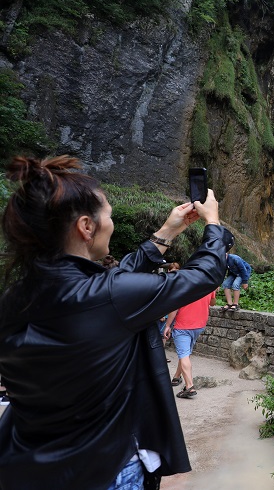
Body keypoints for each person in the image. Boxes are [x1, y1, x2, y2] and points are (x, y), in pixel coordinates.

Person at [0, 155, 232, 489]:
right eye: (109, 215)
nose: (111, 222)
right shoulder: (108, 296)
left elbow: (109, 289)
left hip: (27, 466)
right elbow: (205, 274)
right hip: (103, 469)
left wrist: (166, 233)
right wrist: (214, 225)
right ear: (86, 226)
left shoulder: (15, 299)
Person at [164, 289, 217, 399]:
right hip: (199, 325)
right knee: (185, 353)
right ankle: (177, 377)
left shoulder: (184, 285)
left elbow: (174, 308)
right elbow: (212, 303)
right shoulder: (209, 285)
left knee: (183, 355)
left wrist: (168, 325)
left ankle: (189, 386)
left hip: (183, 325)